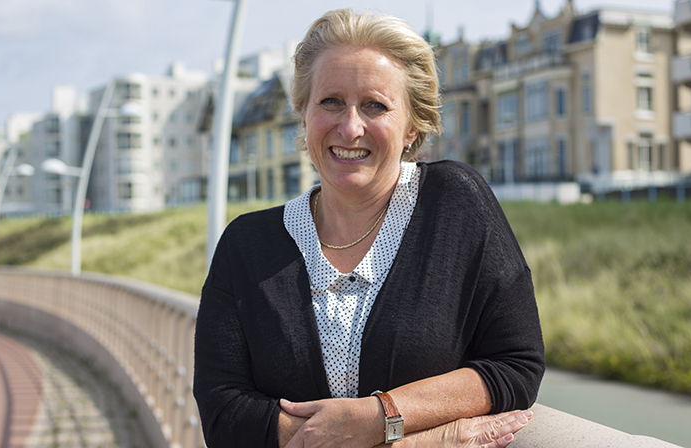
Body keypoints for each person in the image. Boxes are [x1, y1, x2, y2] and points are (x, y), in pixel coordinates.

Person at [193, 9, 544, 448]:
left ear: (413, 126)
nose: (350, 126)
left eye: (375, 105)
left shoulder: (455, 205)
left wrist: (379, 417)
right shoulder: (246, 245)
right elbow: (223, 414)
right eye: (330, 102)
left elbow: (516, 365)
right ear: (303, 115)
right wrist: (416, 443)